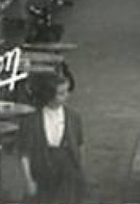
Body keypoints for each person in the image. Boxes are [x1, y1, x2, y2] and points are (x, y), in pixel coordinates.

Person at [18, 73, 88, 203]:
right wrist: (28, 180)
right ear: (48, 96)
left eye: (67, 91)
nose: (67, 96)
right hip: (42, 170)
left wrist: (80, 172)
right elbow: (25, 153)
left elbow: (80, 146)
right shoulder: (32, 120)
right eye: (61, 93)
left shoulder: (73, 117)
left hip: (67, 171)